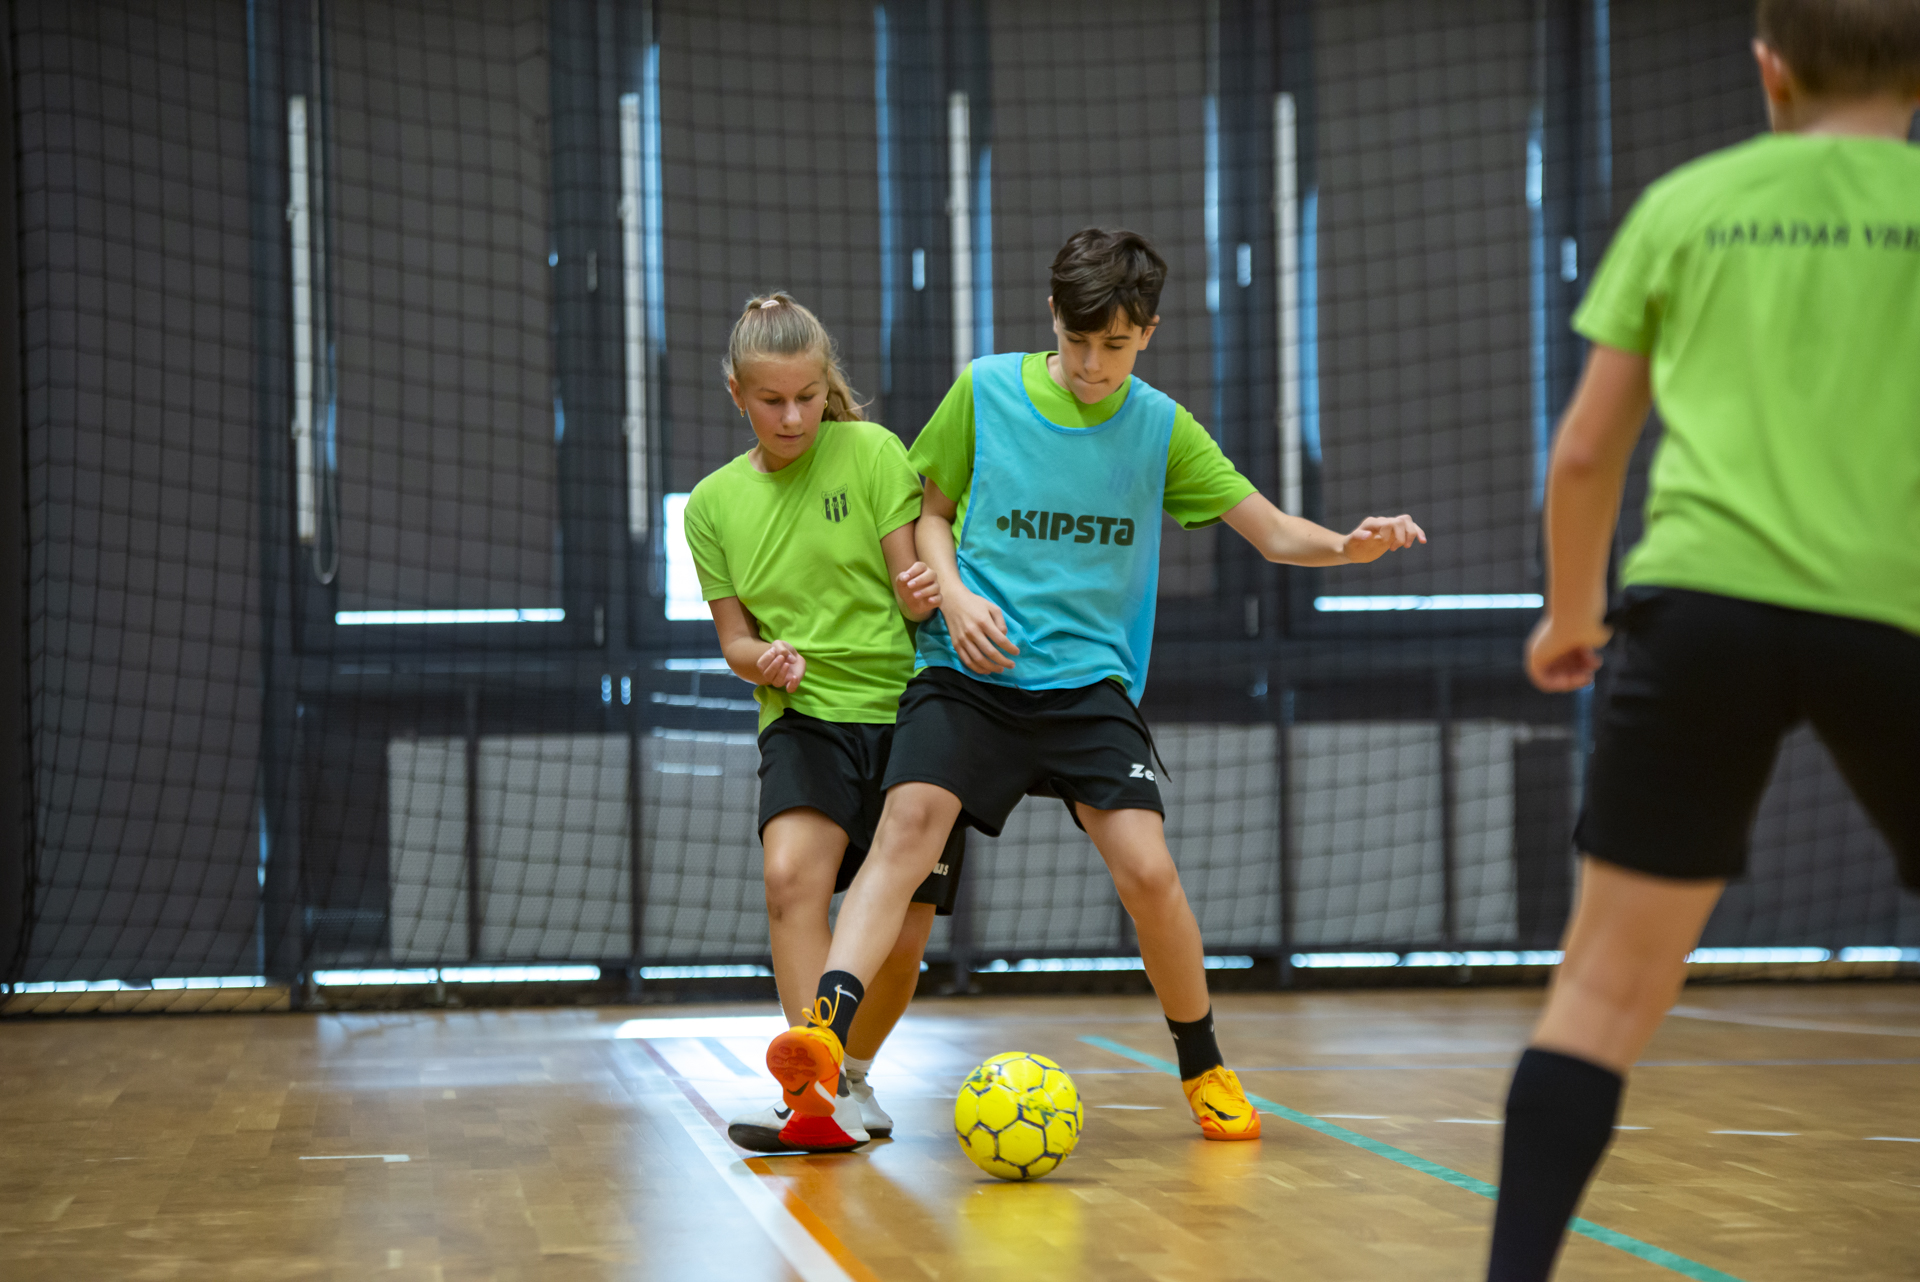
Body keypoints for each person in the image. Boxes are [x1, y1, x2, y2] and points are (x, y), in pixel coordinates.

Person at [765, 228, 1425, 1140]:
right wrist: (954, 596)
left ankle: (1205, 1067)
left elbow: (1273, 532)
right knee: (906, 828)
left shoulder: (1160, 428)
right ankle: (825, 1038)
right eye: (1077, 341)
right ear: (1052, 318)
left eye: (1114, 345)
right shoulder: (985, 390)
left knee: (1149, 871)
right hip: (969, 670)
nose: (1091, 364)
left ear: (1147, 333)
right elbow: (930, 512)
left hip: (1088, 688)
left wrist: (1347, 547)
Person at [1488, 2, 1920, 1276]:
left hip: (1698, 613)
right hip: (1893, 615)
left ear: (1770, 70)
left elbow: (1586, 452)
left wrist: (1574, 616)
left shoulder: (1688, 205)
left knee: (1600, 991)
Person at [683, 292, 965, 1154]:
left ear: (826, 384)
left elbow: (913, 591)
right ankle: (812, 1091)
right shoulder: (711, 505)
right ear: (737, 393)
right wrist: (761, 660)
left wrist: (922, 587)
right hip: (804, 716)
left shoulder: (873, 452)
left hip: (912, 713)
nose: (793, 417)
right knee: (789, 880)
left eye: (808, 396)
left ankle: (852, 1076)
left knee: (902, 936)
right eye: (772, 400)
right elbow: (734, 641)